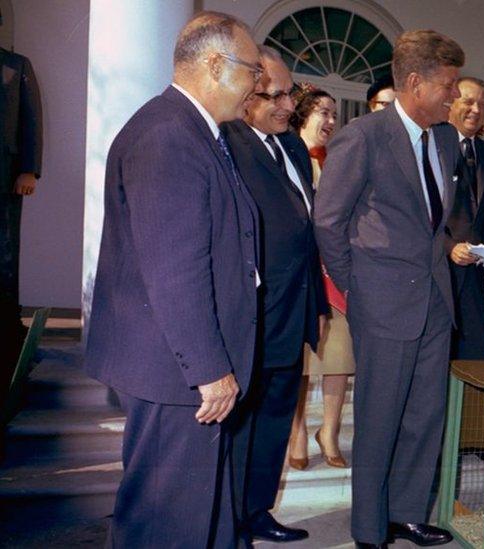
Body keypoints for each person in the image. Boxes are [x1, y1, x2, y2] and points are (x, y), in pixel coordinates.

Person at [84, 12, 262, 548]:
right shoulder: (168, 134)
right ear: (215, 64)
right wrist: (209, 369)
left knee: (198, 516)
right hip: (178, 374)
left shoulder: (198, 131)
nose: (257, 83)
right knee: (165, 524)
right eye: (252, 69)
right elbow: (175, 270)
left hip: (182, 368)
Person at [315, 29, 463, 549]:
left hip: (433, 301)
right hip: (382, 302)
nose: (455, 96)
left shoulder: (444, 139)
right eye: (448, 85)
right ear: (416, 83)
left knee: (425, 415)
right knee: (379, 418)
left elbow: (434, 222)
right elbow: (328, 221)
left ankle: (406, 514)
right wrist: (357, 289)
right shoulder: (364, 136)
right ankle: (369, 529)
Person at [221, 46, 326, 543]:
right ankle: (232, 520)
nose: (289, 105)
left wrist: (318, 306)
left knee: (277, 419)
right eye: (276, 94)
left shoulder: (293, 149)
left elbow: (307, 233)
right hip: (251, 315)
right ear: (245, 95)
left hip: (294, 309)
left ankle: (258, 510)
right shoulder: (226, 143)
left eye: (293, 92)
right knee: (242, 427)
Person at [286, 83, 354, 470]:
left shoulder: (337, 160)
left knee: (339, 357)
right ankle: (296, 431)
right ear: (302, 114)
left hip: (336, 273)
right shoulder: (288, 154)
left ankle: (328, 430)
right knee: (301, 362)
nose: (330, 120)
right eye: (322, 112)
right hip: (301, 273)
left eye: (333, 114)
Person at [445, 76, 484, 360]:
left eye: (482, 104)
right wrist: (449, 247)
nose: (476, 110)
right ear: (450, 104)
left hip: (474, 274)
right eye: (468, 101)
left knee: (477, 355)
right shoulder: (434, 145)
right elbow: (420, 213)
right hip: (438, 272)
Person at [0, 46, 42, 361]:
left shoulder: (16, 64)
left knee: (5, 250)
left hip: (6, 176)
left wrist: (29, 169)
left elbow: (30, 118)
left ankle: (7, 324)